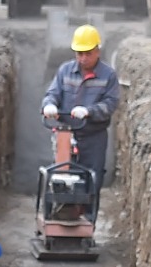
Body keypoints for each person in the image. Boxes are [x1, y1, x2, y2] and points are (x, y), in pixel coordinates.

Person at [41, 25, 120, 189]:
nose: (83, 58)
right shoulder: (65, 71)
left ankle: (89, 205)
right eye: (80, 53)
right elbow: (53, 93)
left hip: (94, 136)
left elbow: (110, 104)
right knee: (61, 176)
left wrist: (88, 112)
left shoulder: (108, 76)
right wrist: (49, 105)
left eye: (88, 53)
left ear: (97, 51)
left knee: (92, 179)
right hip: (66, 135)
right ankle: (60, 202)